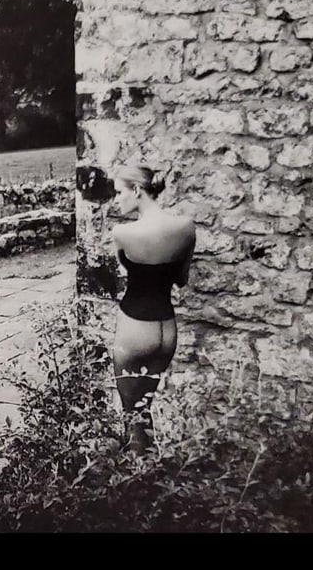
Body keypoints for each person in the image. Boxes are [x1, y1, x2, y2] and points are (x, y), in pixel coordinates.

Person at [108, 163, 195, 453]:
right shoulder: (185, 227)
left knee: (132, 419)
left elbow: (127, 274)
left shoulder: (123, 233)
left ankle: (137, 484)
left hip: (134, 329)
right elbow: (181, 280)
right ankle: (151, 472)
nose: (116, 199)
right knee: (145, 413)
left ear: (136, 190)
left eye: (119, 192)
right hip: (166, 331)